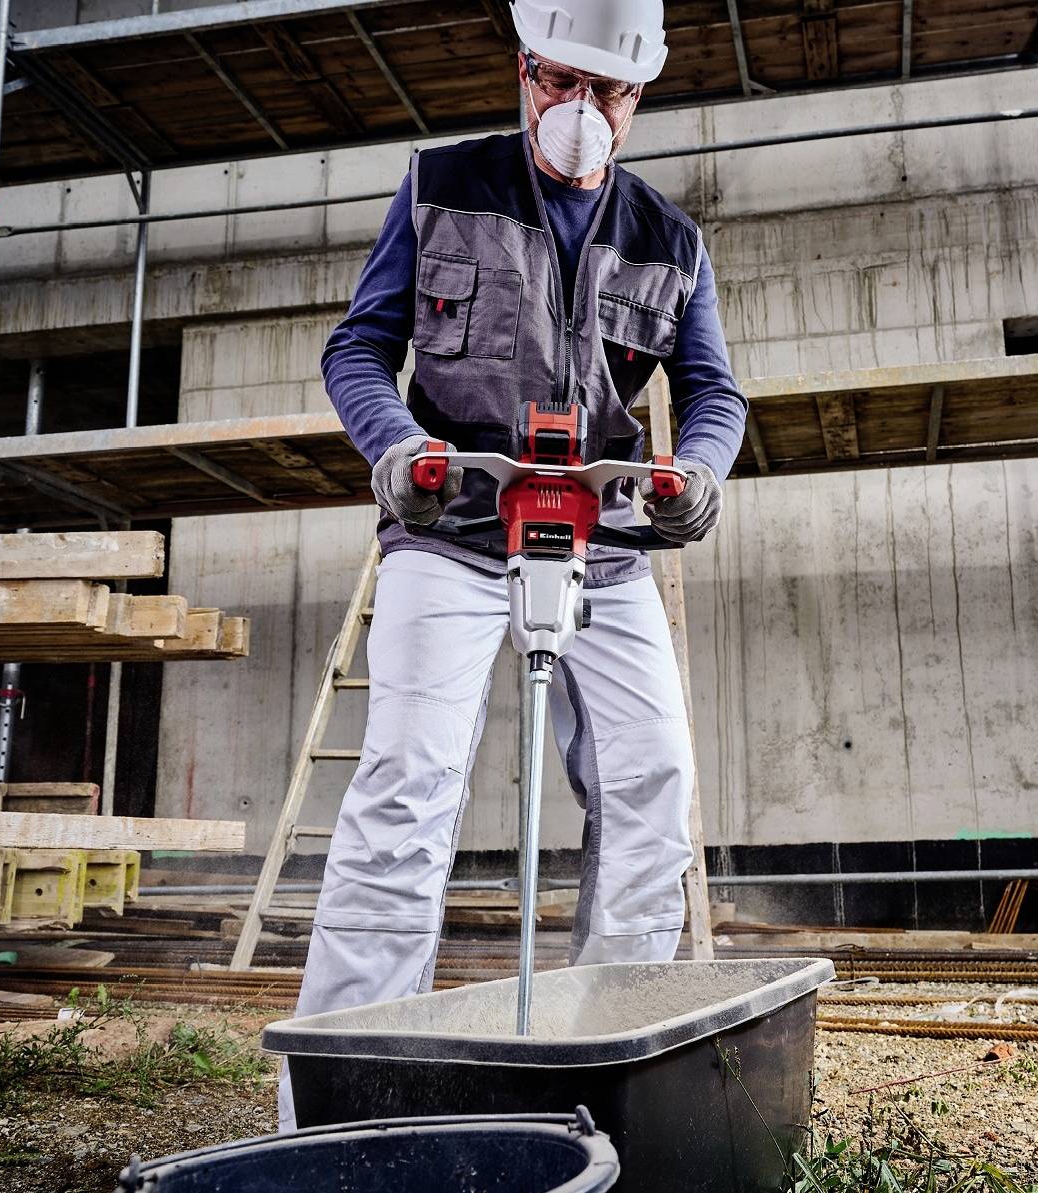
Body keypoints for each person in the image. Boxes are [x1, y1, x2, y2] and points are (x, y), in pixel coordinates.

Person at [279, 0, 748, 1128]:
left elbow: (713, 389)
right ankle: (342, 1099)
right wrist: (399, 451)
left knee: (650, 787)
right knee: (405, 786)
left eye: (609, 92)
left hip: (605, 538)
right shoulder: (439, 185)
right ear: (522, 68)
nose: (580, 113)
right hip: (452, 532)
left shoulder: (671, 238)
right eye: (557, 82)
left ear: (639, 96)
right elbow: (358, 346)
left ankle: (610, 1067)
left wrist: (694, 471)